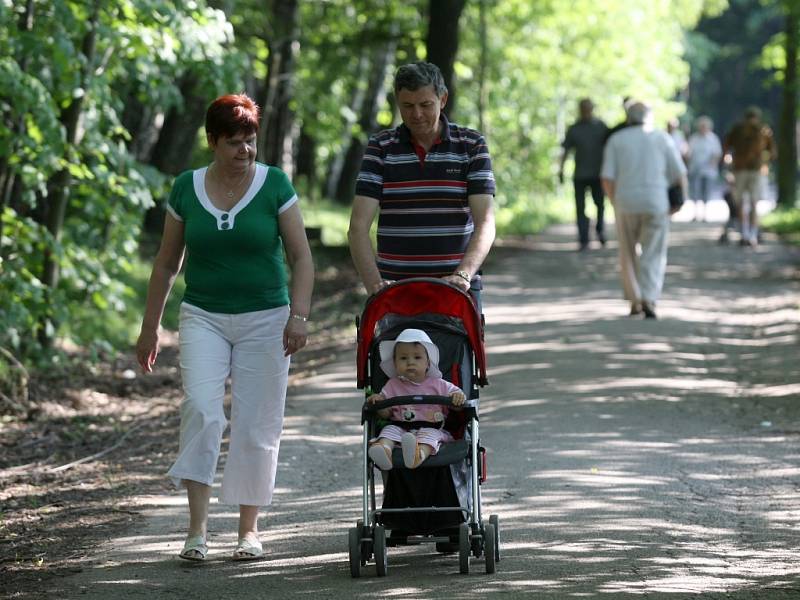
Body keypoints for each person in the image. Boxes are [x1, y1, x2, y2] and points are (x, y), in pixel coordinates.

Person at [135, 93, 314, 562]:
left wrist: (299, 315)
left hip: (267, 319)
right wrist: (150, 327)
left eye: (250, 141)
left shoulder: (274, 184)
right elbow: (166, 264)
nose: (244, 150)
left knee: (257, 422)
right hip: (204, 316)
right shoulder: (185, 188)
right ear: (212, 141)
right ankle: (196, 531)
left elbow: (301, 257)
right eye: (234, 142)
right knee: (200, 409)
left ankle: (248, 531)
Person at [348, 61, 496, 310]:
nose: (416, 114)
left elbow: (485, 222)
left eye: (425, 105)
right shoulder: (380, 148)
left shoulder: (471, 145)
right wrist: (374, 284)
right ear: (397, 102)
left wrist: (463, 274)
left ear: (443, 99)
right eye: (407, 106)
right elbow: (358, 227)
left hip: (457, 288)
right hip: (395, 289)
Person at [601, 100, 687, 320]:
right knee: (654, 252)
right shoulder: (662, 138)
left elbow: (607, 178)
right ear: (649, 117)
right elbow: (679, 174)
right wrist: (680, 201)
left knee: (627, 253)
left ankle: (634, 300)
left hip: (626, 201)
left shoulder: (616, 140)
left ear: (629, 118)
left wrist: (614, 201)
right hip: (656, 201)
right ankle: (649, 297)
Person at [367, 329, 465, 470]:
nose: (410, 362)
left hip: (432, 428)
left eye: (417, 357)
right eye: (403, 358)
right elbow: (386, 413)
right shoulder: (392, 385)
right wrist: (379, 403)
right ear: (395, 364)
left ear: (428, 363)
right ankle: (384, 450)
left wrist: (457, 398)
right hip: (401, 427)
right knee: (389, 430)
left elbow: (458, 402)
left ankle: (417, 456)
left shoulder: (439, 384)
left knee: (429, 437)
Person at [558, 98, 609, 250]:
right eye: (583, 108)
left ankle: (600, 230)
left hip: (598, 174)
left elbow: (610, 148)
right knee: (580, 207)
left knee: (600, 205)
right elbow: (566, 150)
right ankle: (583, 238)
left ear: (592, 109)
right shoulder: (574, 129)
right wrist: (560, 170)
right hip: (580, 175)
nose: (586, 111)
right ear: (579, 110)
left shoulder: (601, 127)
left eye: (588, 108)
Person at [723, 106, 777, 247]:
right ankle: (748, 234)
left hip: (747, 170)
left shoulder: (761, 131)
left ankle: (748, 234)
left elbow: (726, 147)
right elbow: (773, 153)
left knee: (746, 202)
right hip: (747, 170)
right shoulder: (761, 130)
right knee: (749, 203)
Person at [687, 116, 722, 222]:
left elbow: (717, 154)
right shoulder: (694, 138)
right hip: (695, 169)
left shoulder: (713, 139)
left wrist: (712, 162)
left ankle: (705, 214)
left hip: (709, 171)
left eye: (704, 126)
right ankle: (695, 213)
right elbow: (689, 152)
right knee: (695, 192)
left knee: (706, 192)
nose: (702, 128)